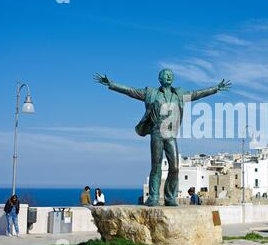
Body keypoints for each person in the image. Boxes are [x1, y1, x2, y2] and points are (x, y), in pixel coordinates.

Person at [95, 69, 231, 207]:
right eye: (166, 75)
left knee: (175, 167)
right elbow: (130, 91)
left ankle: (170, 198)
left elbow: (197, 94)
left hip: (171, 134)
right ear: (160, 79)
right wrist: (111, 84)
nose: (169, 77)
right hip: (157, 133)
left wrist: (216, 88)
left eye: (171, 75)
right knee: (156, 166)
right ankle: (153, 197)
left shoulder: (179, 94)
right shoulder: (151, 93)